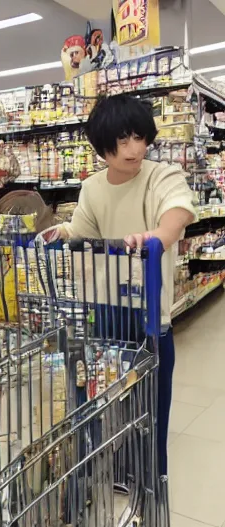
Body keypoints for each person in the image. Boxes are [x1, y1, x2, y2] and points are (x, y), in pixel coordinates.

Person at [46, 93, 196, 479]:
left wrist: (157, 236)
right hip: (107, 307)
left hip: (151, 310)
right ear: (102, 148)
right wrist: (61, 231)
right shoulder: (93, 188)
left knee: (153, 398)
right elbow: (82, 230)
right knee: (100, 389)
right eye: (122, 141)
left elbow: (177, 212)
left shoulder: (161, 175)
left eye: (140, 137)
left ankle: (151, 474)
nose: (134, 149)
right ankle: (103, 467)